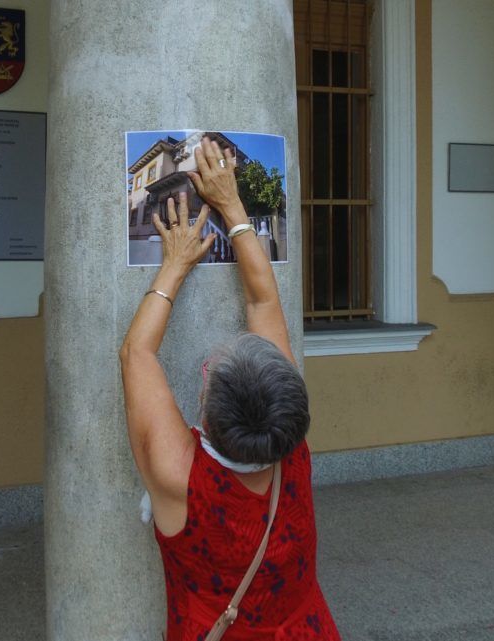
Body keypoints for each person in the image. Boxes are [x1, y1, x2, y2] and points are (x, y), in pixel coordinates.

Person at [119, 137, 339, 639]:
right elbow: (263, 304)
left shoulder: (182, 478)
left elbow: (136, 354)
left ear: (205, 411)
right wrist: (233, 204)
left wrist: (173, 266)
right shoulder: (290, 444)